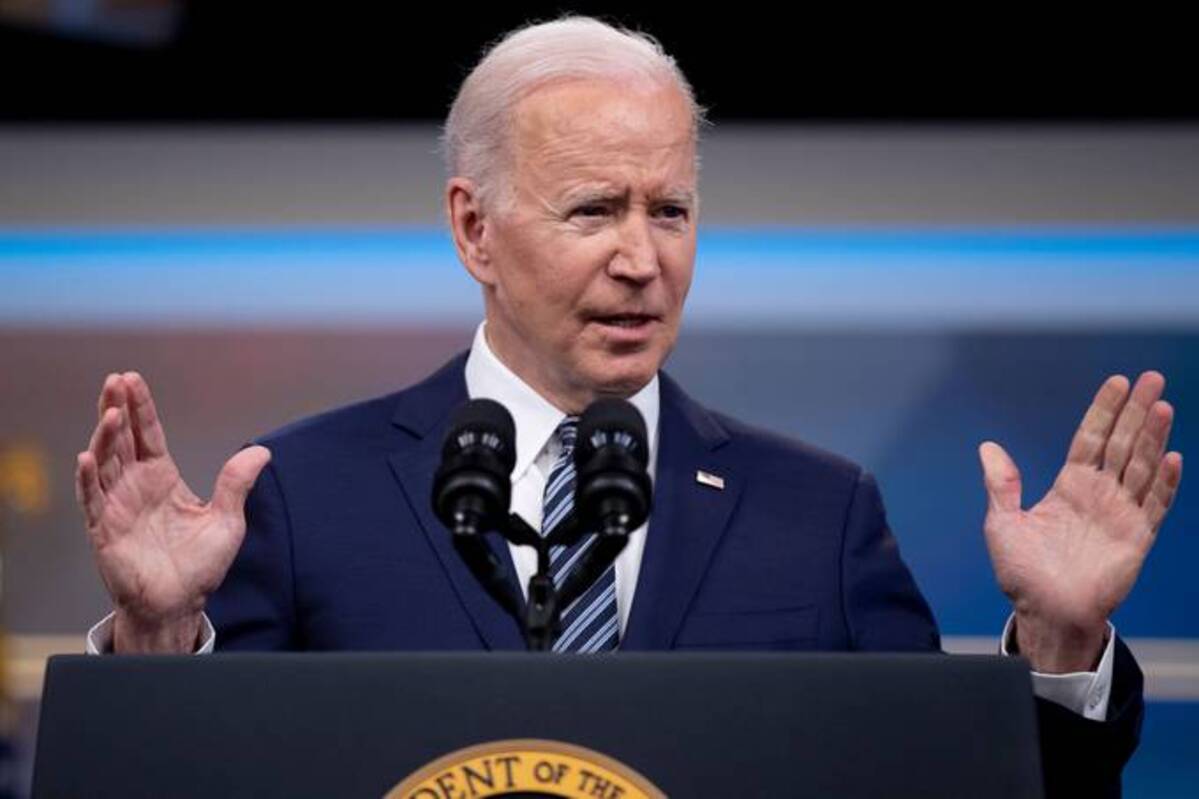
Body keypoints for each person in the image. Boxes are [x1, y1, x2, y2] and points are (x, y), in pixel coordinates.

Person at [75, 16, 1181, 796]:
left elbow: (951, 791)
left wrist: (1057, 639)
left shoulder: (817, 515)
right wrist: (162, 636)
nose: (640, 260)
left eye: (670, 210)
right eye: (593, 209)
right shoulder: (307, 493)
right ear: (473, 230)